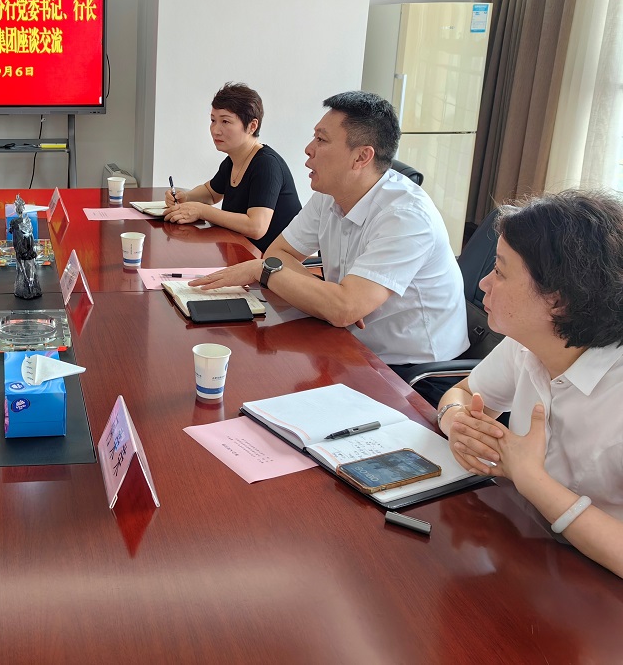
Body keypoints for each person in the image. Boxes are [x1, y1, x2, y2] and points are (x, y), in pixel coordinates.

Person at [194, 91, 467, 378]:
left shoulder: (406, 217)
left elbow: (340, 306)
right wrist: (330, 299)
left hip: (412, 374)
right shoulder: (330, 193)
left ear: (361, 157)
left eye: (321, 140)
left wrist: (267, 272)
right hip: (349, 346)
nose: (308, 149)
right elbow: (278, 253)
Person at [437, 190, 623, 578]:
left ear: (558, 301)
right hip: (521, 547)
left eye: (500, 272)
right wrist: (459, 424)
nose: (484, 283)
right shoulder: (530, 342)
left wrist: (531, 480)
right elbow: (465, 393)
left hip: (593, 590)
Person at [163, 82, 301, 252]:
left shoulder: (266, 165)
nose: (215, 130)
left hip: (273, 261)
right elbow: (211, 193)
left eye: (225, 121)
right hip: (242, 252)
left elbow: (256, 227)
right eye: (213, 120)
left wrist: (202, 211)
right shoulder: (232, 160)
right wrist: (186, 197)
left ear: (252, 126)